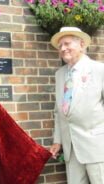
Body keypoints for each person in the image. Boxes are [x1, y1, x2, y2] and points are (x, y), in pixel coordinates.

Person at [49, 26, 104, 184]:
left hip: (97, 146)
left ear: (81, 44)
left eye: (67, 44)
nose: (63, 49)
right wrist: (58, 140)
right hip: (70, 148)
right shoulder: (60, 75)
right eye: (60, 46)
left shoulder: (99, 70)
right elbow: (59, 112)